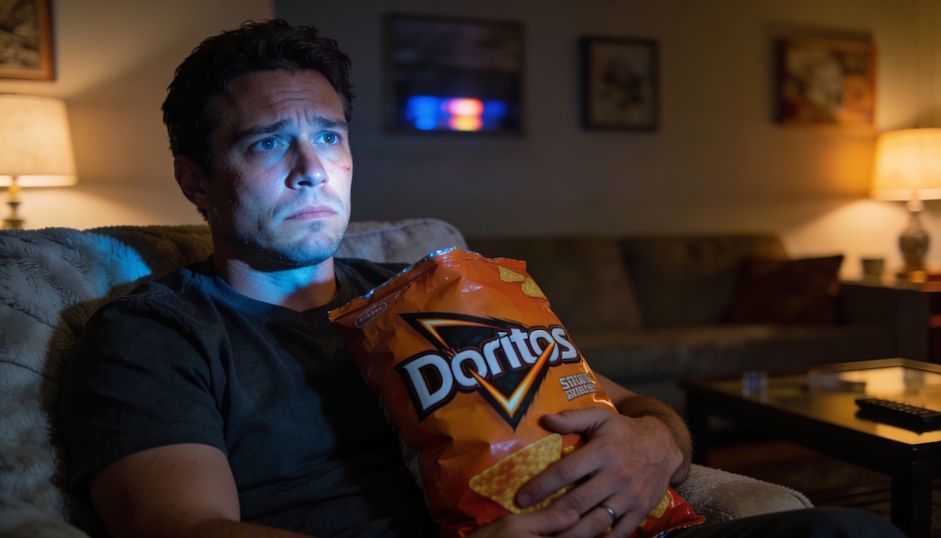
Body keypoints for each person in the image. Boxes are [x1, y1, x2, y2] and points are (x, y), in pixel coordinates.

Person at [60, 19, 904, 538]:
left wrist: (655, 443)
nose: (313, 168)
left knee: (847, 532)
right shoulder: (156, 333)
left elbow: (639, 408)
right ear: (195, 180)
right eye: (267, 143)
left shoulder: (428, 291)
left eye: (329, 134)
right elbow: (184, 529)